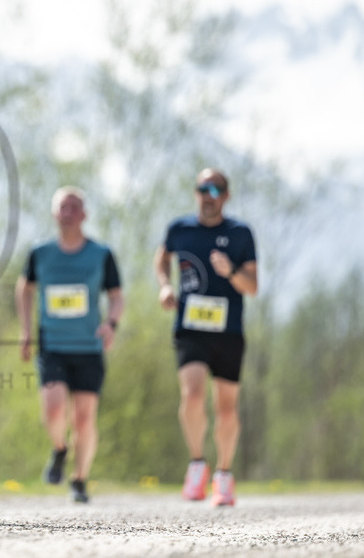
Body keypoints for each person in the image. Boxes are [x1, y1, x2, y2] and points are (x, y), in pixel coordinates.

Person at [153, 168, 258, 507]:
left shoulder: (241, 233)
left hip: (228, 332)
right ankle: (197, 463)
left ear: (226, 195)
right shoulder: (179, 228)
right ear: (196, 192)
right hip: (190, 329)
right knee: (193, 395)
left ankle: (224, 475)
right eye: (202, 188)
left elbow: (253, 287)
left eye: (216, 188)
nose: (208, 193)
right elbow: (161, 258)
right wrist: (166, 285)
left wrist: (231, 272)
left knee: (226, 410)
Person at [15, 186, 124, 503]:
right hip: (53, 344)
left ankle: (79, 479)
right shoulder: (40, 253)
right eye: (63, 206)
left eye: (75, 206)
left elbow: (116, 296)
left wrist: (111, 323)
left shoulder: (101, 254)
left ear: (85, 215)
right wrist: (25, 330)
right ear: (54, 213)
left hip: (89, 347)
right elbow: (24, 290)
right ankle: (60, 449)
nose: (69, 212)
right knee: (53, 408)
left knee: (85, 418)